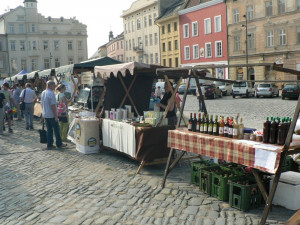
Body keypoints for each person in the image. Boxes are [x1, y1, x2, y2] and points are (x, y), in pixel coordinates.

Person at [41, 81, 67, 149]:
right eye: (54, 85)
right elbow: (53, 105)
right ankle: (59, 143)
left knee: (49, 130)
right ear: (50, 86)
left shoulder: (43, 92)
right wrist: (56, 115)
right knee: (56, 129)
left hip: (46, 114)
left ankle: (50, 144)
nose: (55, 87)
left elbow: (43, 103)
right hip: (51, 114)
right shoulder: (51, 93)